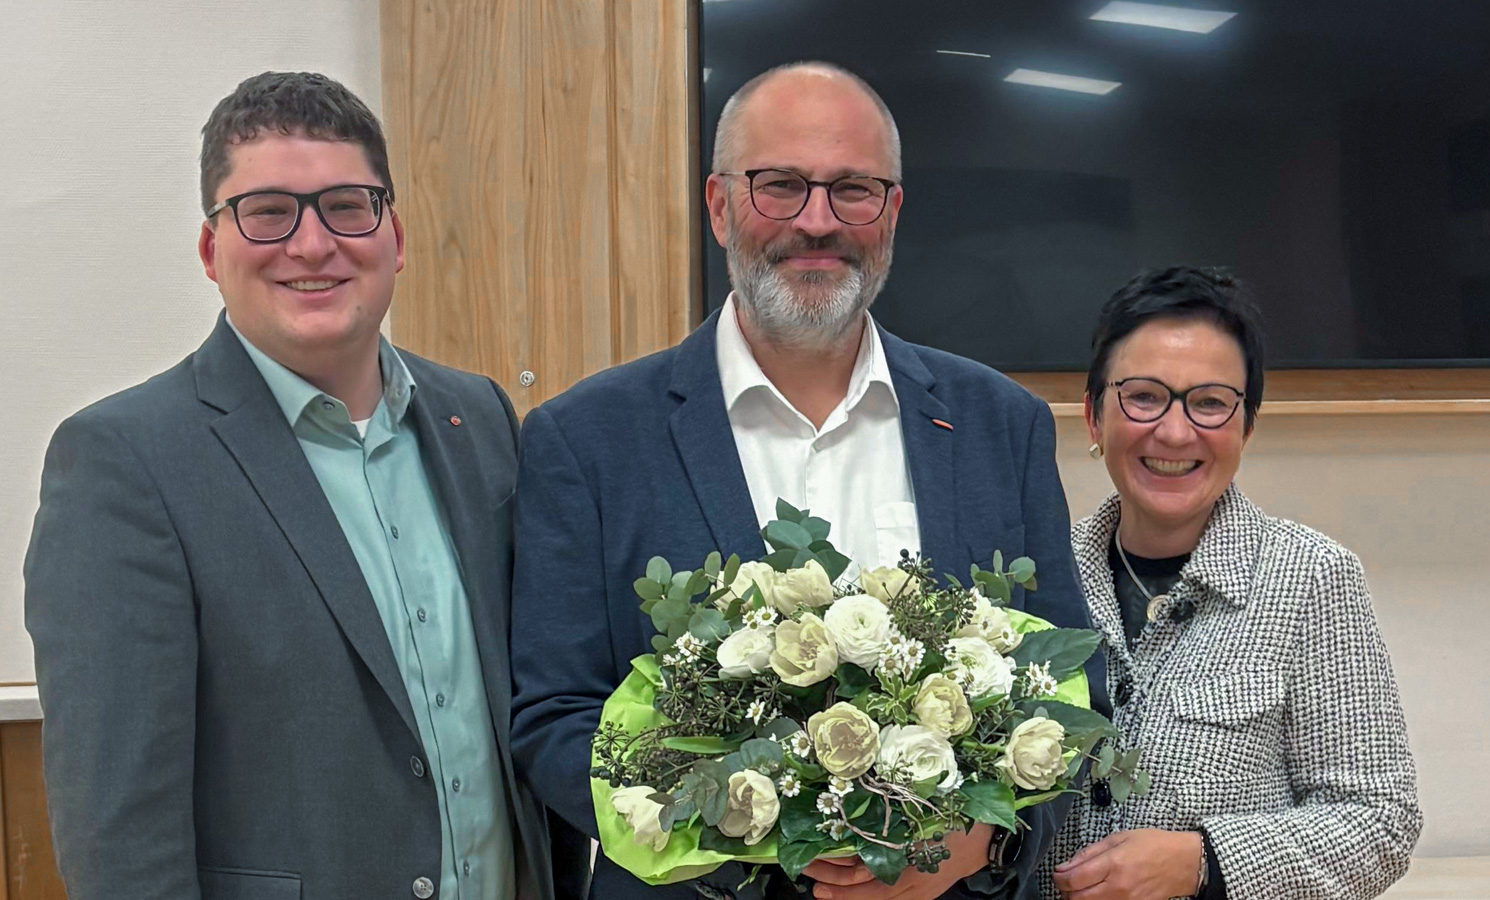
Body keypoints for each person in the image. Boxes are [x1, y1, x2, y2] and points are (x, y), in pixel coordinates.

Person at [510, 61, 1106, 900]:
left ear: (891, 213)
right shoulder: (587, 440)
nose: (817, 222)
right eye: (780, 185)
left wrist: (977, 846)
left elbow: (1071, 682)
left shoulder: (998, 424)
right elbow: (555, 719)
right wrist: (740, 827)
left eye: (853, 189)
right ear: (719, 206)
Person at [24, 71, 573, 900]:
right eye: (268, 211)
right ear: (213, 251)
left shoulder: (480, 418)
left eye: (347, 205)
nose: (313, 244)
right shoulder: (123, 463)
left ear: (396, 235)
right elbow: (119, 831)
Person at [1043, 267, 1422, 900]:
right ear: (1092, 417)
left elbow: (1380, 822)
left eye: (1211, 402)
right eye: (1143, 396)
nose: (1174, 431)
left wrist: (1204, 862)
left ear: (1246, 427)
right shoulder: (1041, 575)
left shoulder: (1311, 579)